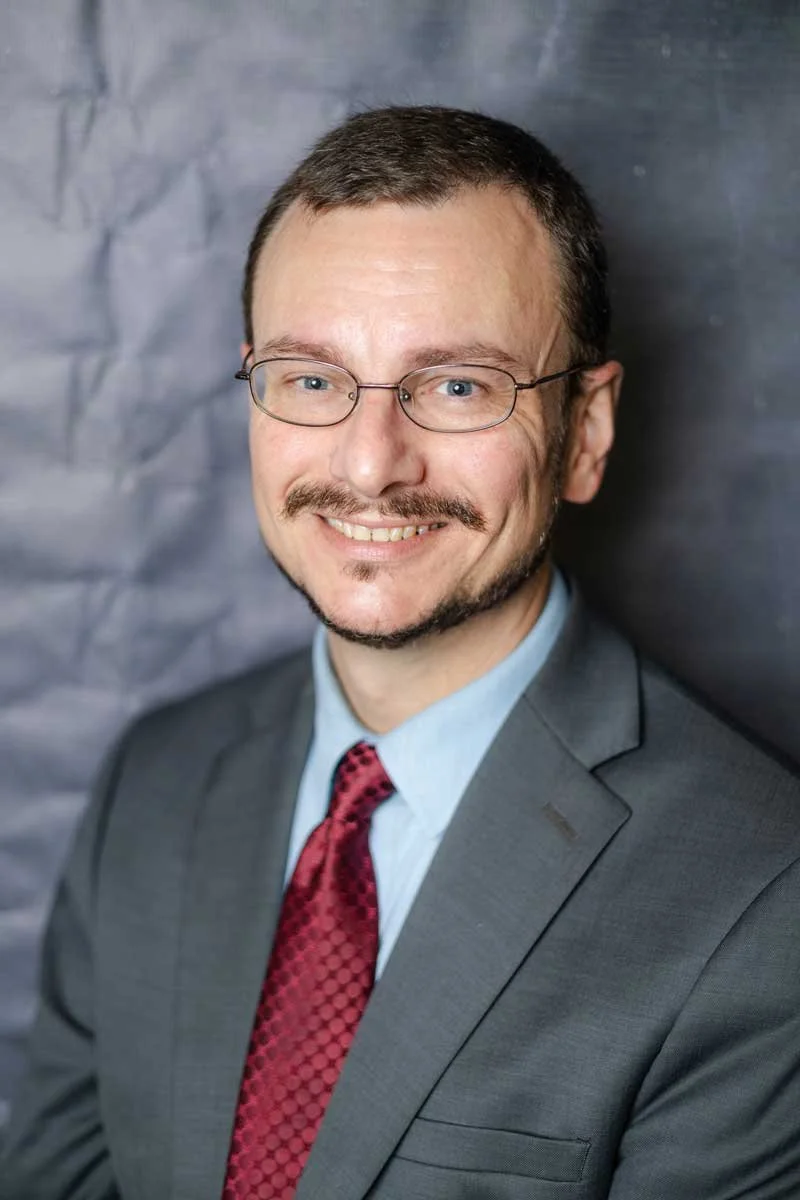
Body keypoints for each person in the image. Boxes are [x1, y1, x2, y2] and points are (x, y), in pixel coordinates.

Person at [2, 105, 799, 1200]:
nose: (371, 466)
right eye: (312, 379)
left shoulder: (762, 901)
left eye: (458, 386)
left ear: (585, 433)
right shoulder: (159, 779)